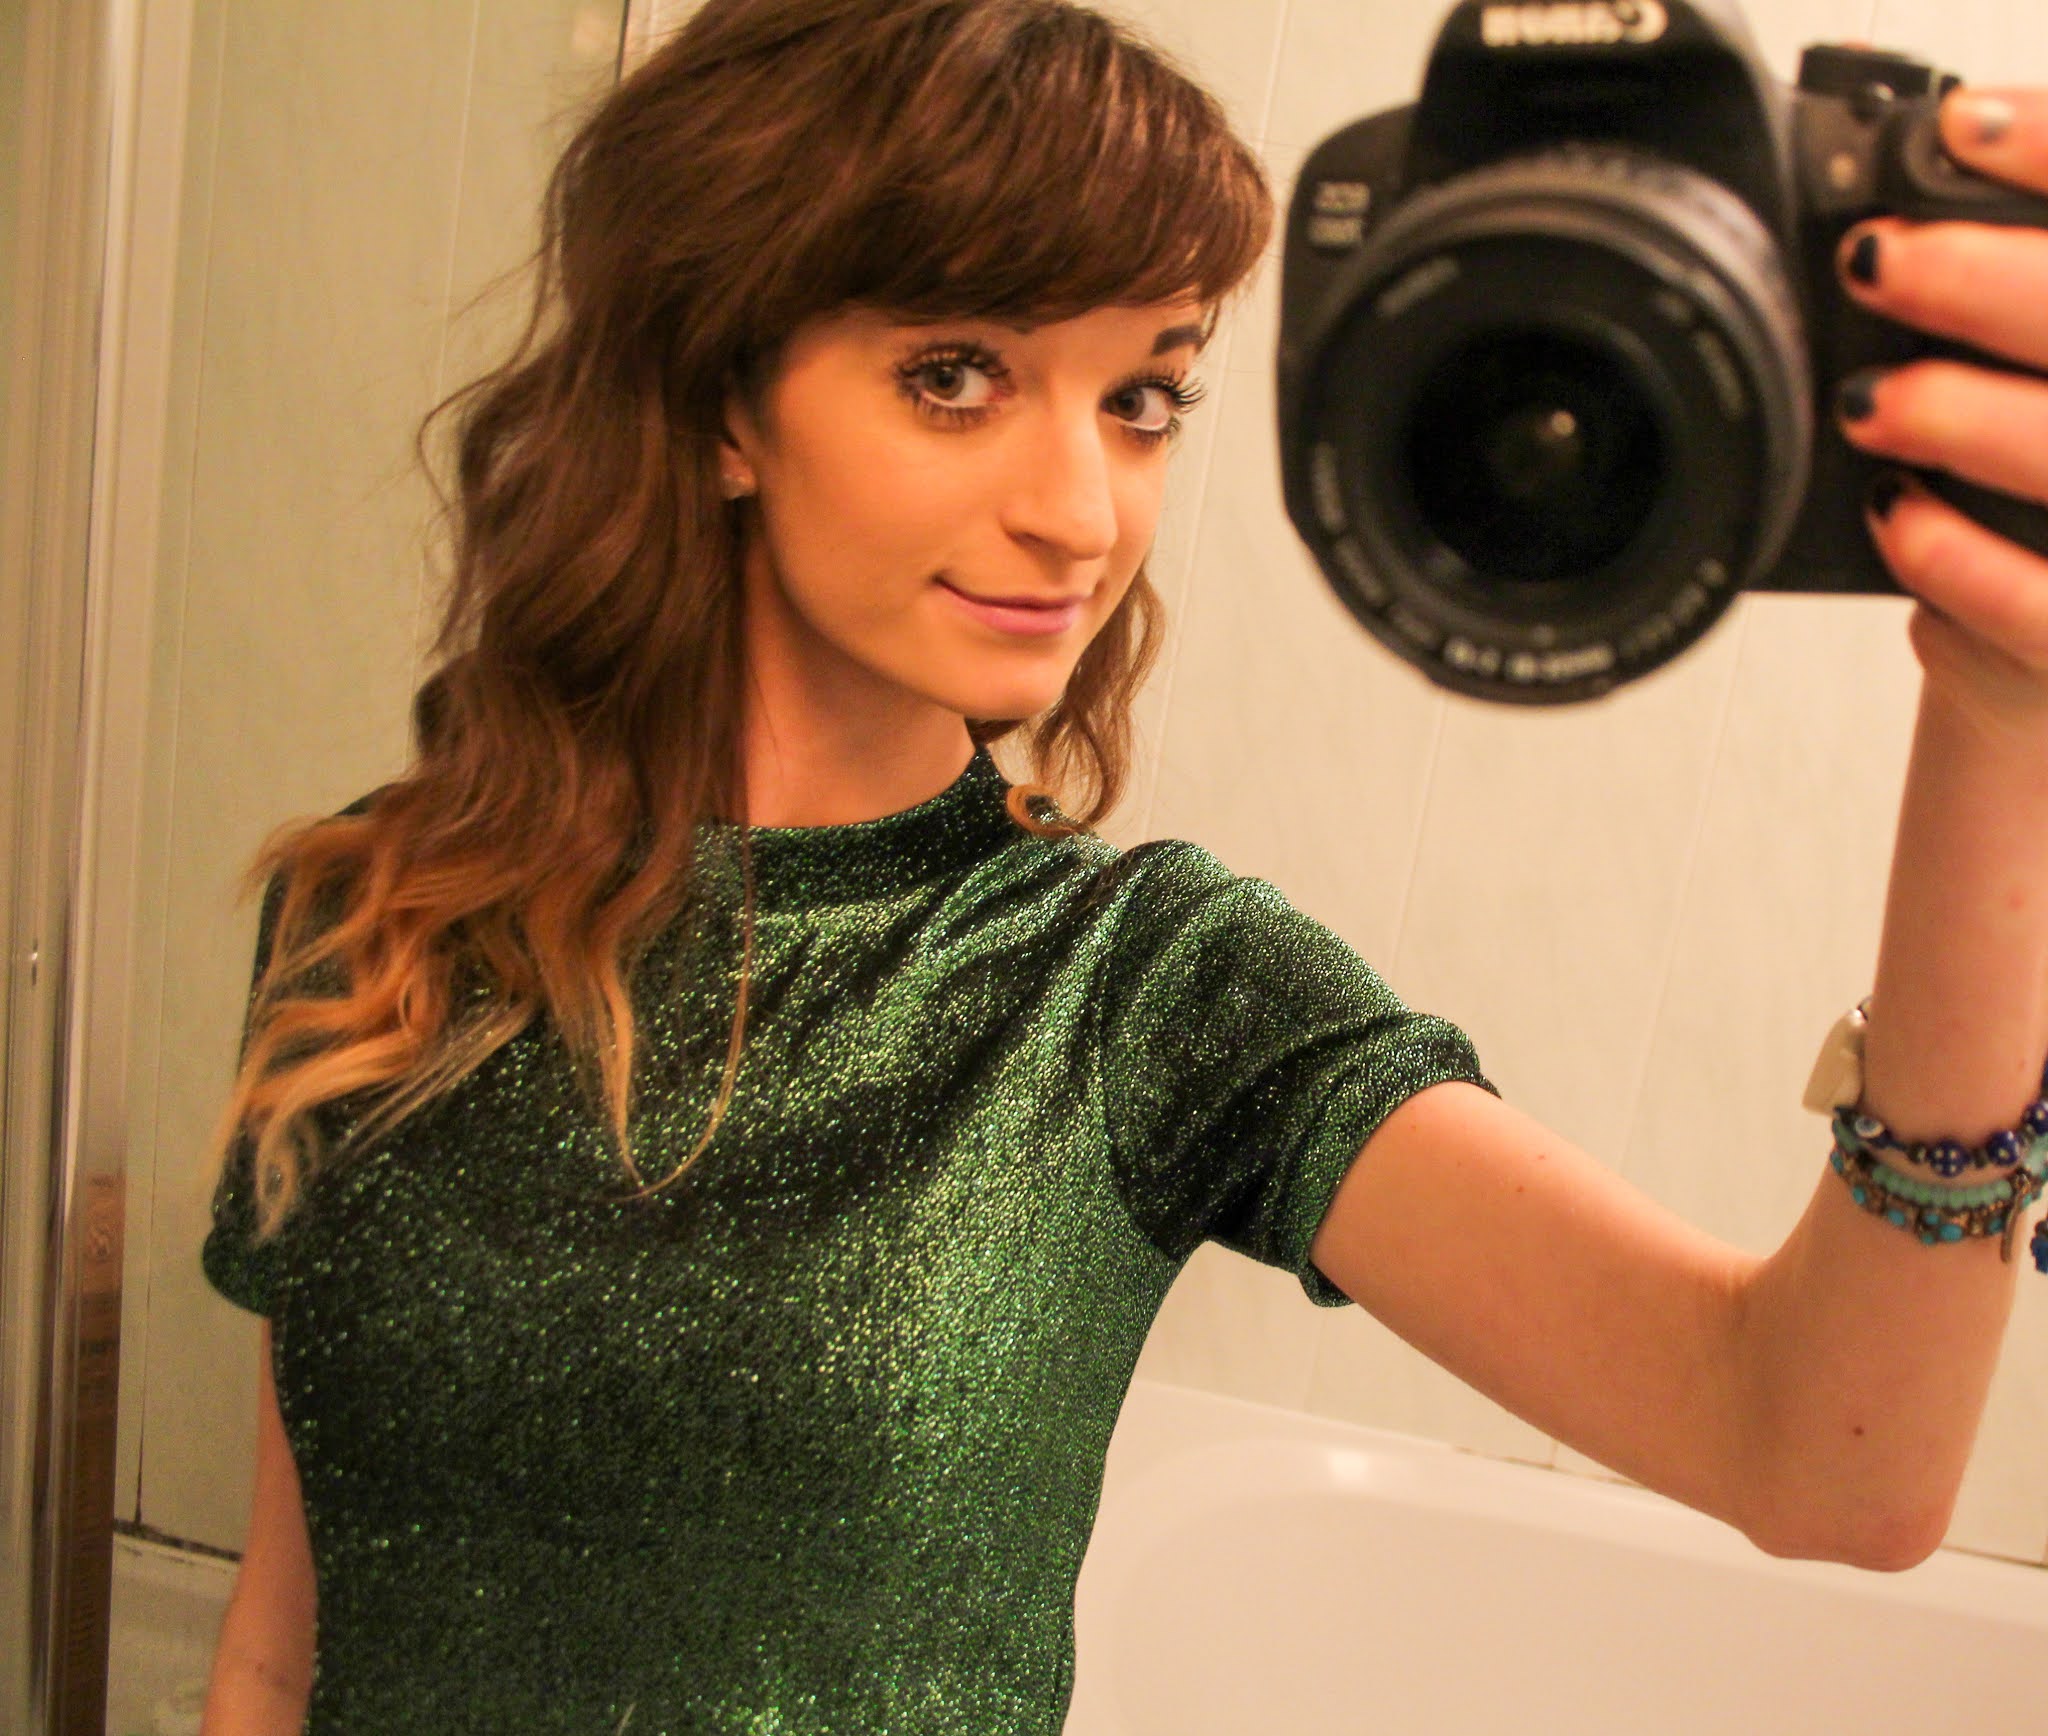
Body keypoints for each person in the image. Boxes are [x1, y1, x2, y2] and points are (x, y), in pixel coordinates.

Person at [196, 2, 2048, 1731]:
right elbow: (283, 1639)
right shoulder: (378, 917)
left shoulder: (1145, 987)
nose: (1081, 514)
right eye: (957, 376)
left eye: (1143, 397)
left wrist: (1999, 721)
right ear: (723, 400)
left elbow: (1825, 1458)